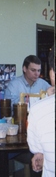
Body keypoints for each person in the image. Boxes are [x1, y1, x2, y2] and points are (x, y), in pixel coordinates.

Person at [27, 45, 55, 177]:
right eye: (33, 70)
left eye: (39, 70)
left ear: (52, 74)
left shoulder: (38, 110)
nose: (37, 74)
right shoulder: (13, 85)